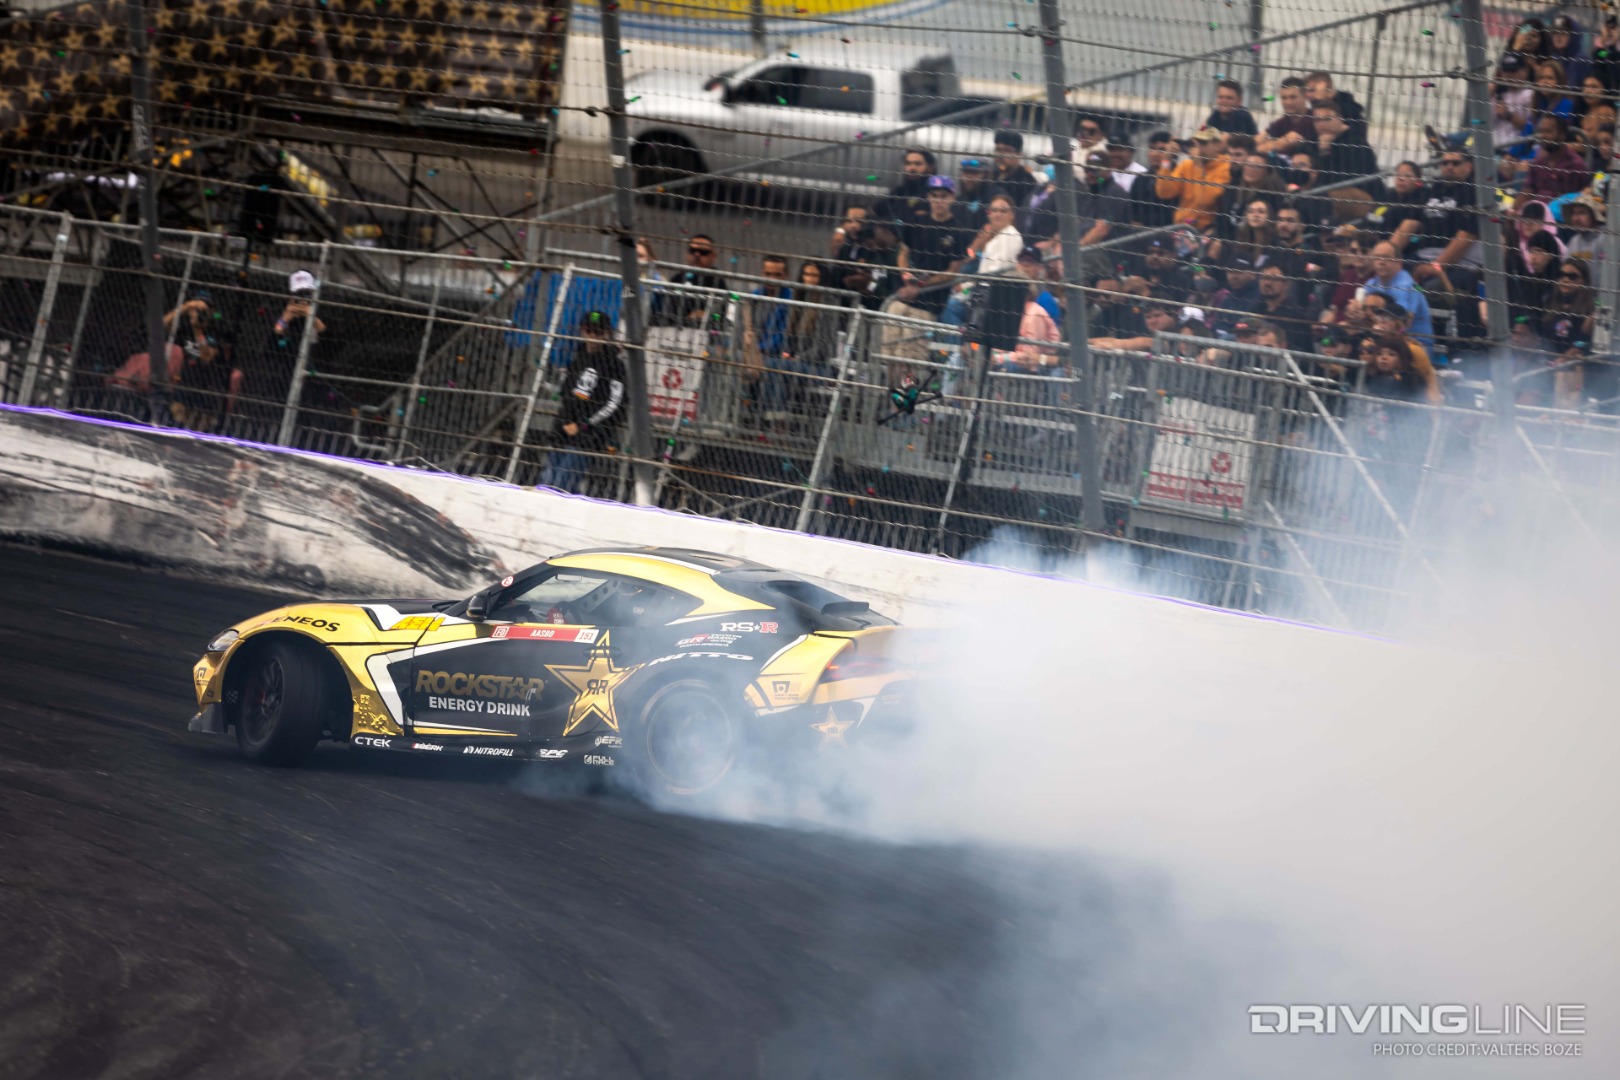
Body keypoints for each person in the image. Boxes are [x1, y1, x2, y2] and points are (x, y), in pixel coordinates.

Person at [880, 175, 972, 372]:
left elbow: (952, 273)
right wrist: (906, 275)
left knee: (911, 360)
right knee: (889, 356)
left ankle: (907, 401)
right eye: (935, 195)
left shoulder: (958, 231)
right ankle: (893, 400)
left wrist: (921, 285)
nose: (939, 200)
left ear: (952, 198)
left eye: (943, 196)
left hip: (927, 304)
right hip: (901, 296)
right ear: (928, 197)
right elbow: (903, 252)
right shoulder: (917, 220)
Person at [541, 310, 627, 494]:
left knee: (563, 484)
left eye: (599, 332)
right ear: (582, 330)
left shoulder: (614, 365)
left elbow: (615, 405)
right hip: (563, 431)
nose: (593, 336)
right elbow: (566, 395)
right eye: (589, 331)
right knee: (547, 481)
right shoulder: (577, 359)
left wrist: (583, 425)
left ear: (607, 333)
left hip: (588, 435)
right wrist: (565, 422)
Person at [758, 262, 842, 425]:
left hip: (820, 367)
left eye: (814, 275)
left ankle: (776, 421)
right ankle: (770, 419)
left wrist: (798, 358)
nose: (809, 280)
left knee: (775, 366)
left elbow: (826, 347)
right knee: (769, 365)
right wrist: (787, 354)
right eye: (806, 275)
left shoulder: (830, 304)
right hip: (793, 361)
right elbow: (788, 338)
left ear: (823, 279)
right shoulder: (797, 300)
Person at [1536, 258, 1596, 407]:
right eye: (1561, 274)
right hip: (1550, 362)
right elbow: (1545, 337)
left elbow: (1584, 343)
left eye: (1572, 276)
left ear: (1583, 280)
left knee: (1567, 371)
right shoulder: (1549, 302)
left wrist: (1564, 358)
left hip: (1574, 366)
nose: (1565, 279)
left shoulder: (1590, 309)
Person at [1155, 126, 1232, 233]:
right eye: (1195, 144)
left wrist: (1198, 167)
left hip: (1205, 231)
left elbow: (1204, 201)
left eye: (1203, 143)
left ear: (1217, 146)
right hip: (1181, 227)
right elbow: (1164, 193)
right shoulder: (1187, 165)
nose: (1198, 148)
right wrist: (1166, 160)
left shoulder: (1225, 167)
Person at [1363, 241, 1434, 347]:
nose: (1381, 262)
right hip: (1386, 338)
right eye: (1377, 258)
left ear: (1399, 262)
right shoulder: (1371, 283)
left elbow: (1404, 322)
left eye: (1386, 257)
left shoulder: (1406, 285)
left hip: (1416, 343)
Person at [651, 234, 728, 327]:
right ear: (687, 254)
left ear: (713, 256)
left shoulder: (718, 281)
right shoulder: (678, 278)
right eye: (693, 251)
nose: (697, 254)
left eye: (703, 252)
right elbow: (666, 307)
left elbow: (721, 314)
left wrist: (707, 315)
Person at [1310, 101, 1382, 200]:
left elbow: (1344, 182)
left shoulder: (1356, 143)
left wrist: (1324, 151)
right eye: (1317, 120)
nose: (1321, 124)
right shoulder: (1314, 141)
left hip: (1361, 197)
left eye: (1327, 119)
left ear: (1340, 119)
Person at [1518, 114, 1591, 199]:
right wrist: (1512, 211)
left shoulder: (1575, 165)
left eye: (1548, 131)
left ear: (1562, 135)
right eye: (1541, 131)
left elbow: (1581, 197)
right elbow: (1526, 192)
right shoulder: (1538, 163)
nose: (1543, 136)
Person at [742, 254, 793, 373]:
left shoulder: (791, 299)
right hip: (754, 350)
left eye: (777, 275)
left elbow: (783, 335)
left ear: (786, 276)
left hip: (776, 355)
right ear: (762, 274)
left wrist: (757, 349)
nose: (772, 279)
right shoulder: (755, 296)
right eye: (768, 274)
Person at [1253, 263, 1315, 352]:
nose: (1267, 283)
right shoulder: (1256, 308)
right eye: (1264, 278)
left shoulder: (1295, 316)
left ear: (1285, 285)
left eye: (1274, 279)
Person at [1257, 76, 1317, 156]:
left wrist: (1274, 145)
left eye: (1293, 97)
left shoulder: (1315, 119)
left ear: (1305, 96)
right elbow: (1256, 143)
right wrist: (1282, 142)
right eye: (1284, 98)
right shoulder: (1282, 122)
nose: (1288, 102)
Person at [875, 147, 935, 227]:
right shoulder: (899, 191)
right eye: (908, 163)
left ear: (930, 168)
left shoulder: (935, 194)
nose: (912, 168)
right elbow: (876, 211)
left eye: (918, 164)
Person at [1304, 70, 1367, 141]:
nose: (1307, 95)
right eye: (1306, 91)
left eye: (1312, 90)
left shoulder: (1348, 108)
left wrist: (1320, 101)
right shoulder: (1315, 108)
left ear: (1327, 87)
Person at [990, 131, 1039, 208]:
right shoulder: (991, 175)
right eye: (998, 149)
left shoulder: (1026, 181)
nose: (1000, 154)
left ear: (1018, 154)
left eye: (1006, 150)